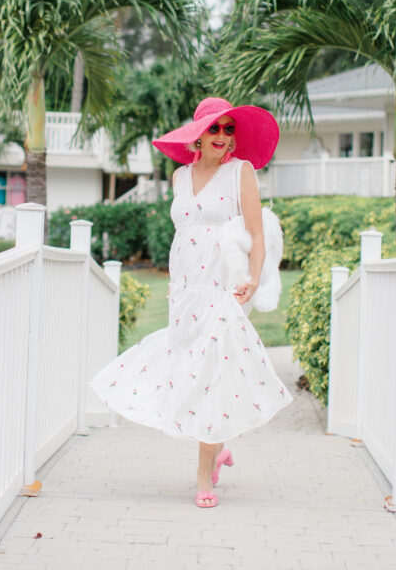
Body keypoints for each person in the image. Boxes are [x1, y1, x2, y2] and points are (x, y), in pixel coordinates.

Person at [89, 97, 294, 508]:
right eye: (215, 129)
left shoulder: (241, 173)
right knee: (190, 367)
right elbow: (182, 236)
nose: (222, 136)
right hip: (185, 290)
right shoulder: (181, 176)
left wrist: (253, 280)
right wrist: (175, 284)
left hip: (225, 288)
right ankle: (219, 447)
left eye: (229, 129)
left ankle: (203, 476)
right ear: (198, 135)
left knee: (211, 374)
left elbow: (256, 234)